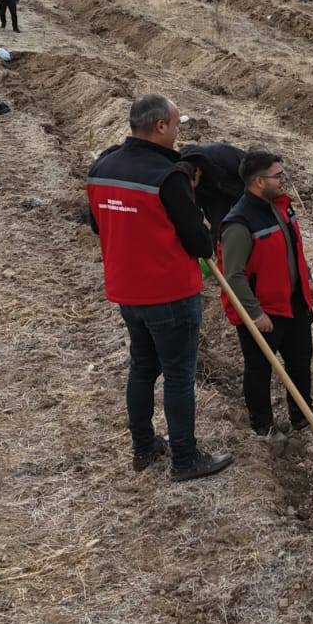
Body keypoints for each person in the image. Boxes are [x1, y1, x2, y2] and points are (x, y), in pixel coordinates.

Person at [86, 94, 232, 482]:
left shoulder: (103, 167)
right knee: (179, 375)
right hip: (169, 293)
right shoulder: (169, 178)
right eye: (176, 126)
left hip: (127, 292)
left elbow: (97, 223)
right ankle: (185, 459)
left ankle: (144, 447)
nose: (178, 135)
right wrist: (194, 199)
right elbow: (200, 244)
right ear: (161, 127)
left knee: (142, 367)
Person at [218, 150, 313, 436]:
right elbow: (233, 276)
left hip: (293, 303)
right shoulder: (239, 223)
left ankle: (302, 414)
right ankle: (263, 426)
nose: (284, 180)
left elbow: (294, 248)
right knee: (259, 370)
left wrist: (308, 278)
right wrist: (255, 313)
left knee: (300, 360)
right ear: (258, 181)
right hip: (265, 311)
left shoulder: (281, 207)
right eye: (278, 176)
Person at [177, 141, 245, 236]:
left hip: (240, 186)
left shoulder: (223, 156)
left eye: (192, 186)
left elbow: (252, 172)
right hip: (216, 191)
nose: (191, 188)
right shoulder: (180, 171)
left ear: (197, 173)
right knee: (217, 228)